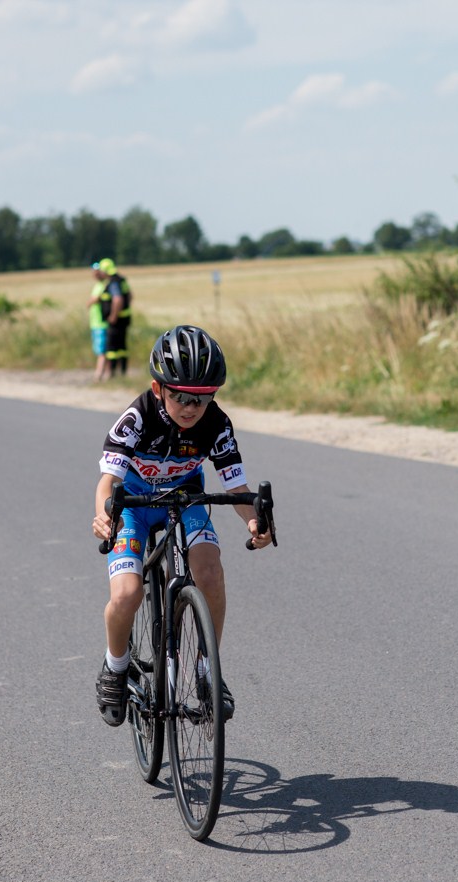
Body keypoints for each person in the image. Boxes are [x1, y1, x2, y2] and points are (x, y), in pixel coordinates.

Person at [91, 324, 273, 727]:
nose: (191, 408)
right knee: (127, 593)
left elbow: (236, 488)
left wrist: (255, 522)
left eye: (202, 399)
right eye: (180, 398)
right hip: (136, 506)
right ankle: (116, 666)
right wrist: (103, 513)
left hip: (187, 497)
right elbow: (108, 480)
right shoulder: (137, 416)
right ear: (159, 390)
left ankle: (208, 672)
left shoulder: (217, 424)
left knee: (210, 572)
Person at [94, 257, 132, 377]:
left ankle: (112, 373)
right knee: (122, 347)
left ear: (105, 270)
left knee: (112, 348)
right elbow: (130, 296)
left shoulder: (113, 282)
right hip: (125, 318)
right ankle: (123, 372)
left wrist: (113, 316)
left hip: (116, 321)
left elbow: (117, 299)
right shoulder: (122, 280)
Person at [87, 262, 109, 383]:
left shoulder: (103, 285)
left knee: (102, 351)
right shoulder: (98, 285)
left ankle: (99, 374)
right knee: (100, 350)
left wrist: (88, 303)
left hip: (101, 323)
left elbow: (95, 299)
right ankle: (105, 373)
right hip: (95, 322)